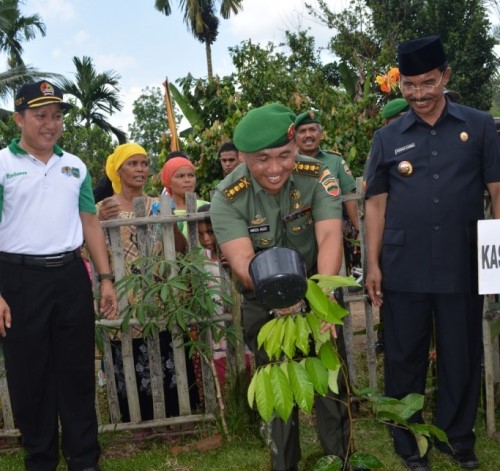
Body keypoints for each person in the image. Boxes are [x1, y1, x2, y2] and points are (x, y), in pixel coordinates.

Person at [364, 35, 500, 471]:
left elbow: (497, 193)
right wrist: (372, 264)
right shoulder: (387, 138)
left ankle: (458, 439)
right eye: (409, 85)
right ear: (398, 84)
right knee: (404, 358)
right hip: (404, 266)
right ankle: (408, 444)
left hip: (462, 261)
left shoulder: (479, 127)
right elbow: (375, 205)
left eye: (427, 83)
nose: (419, 94)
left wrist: (493, 260)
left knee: (462, 356)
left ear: (445, 76)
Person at [210, 103, 354, 471]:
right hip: (261, 297)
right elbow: (242, 261)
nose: (275, 169)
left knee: (329, 380)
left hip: (316, 285)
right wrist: (280, 297)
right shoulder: (228, 196)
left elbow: (329, 237)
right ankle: (283, 464)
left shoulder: (317, 175)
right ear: (242, 157)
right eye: (262, 159)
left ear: (295, 147)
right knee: (277, 384)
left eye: (284, 156)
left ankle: (341, 459)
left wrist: (322, 301)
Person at [0, 80, 118, 471]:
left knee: (77, 372)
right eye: (40, 116)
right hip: (18, 281)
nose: (50, 124)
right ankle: (40, 459)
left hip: (69, 275)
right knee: (29, 375)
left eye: (56, 116)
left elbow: (90, 222)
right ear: (19, 118)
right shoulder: (3, 165)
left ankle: (85, 460)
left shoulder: (76, 166)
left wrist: (104, 278)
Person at [97, 143, 194, 421]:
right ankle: (133, 419)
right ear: (118, 169)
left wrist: (171, 223)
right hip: (122, 297)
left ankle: (174, 415)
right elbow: (87, 250)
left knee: (165, 348)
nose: (140, 169)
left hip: (159, 297)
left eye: (144, 163)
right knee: (127, 354)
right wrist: (99, 221)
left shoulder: (159, 204)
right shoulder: (104, 208)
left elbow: (182, 249)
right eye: (133, 163)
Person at [294, 111, 360, 272]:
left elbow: (349, 196)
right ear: (294, 137)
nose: (308, 135)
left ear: (321, 134)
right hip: (299, 229)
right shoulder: (288, 162)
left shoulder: (334, 161)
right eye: (302, 131)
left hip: (332, 225)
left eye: (312, 130)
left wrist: (359, 230)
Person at [160, 156, 209, 237]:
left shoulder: (207, 206)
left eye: (191, 175)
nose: (187, 180)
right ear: (169, 181)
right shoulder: (161, 211)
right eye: (180, 176)